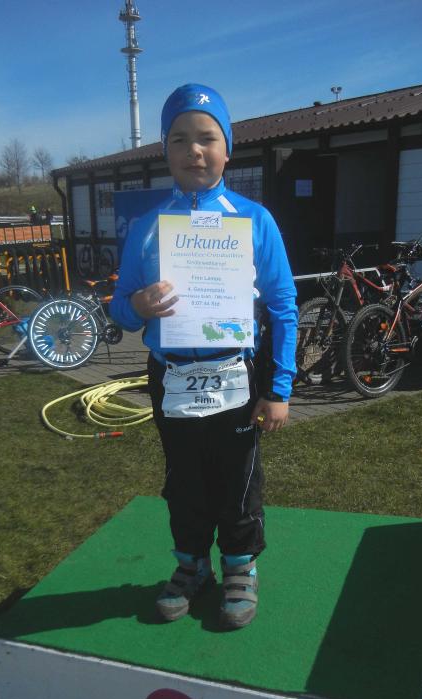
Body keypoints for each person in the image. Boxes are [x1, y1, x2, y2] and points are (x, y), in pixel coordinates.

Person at [110, 83, 297, 629]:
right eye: (179, 139)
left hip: (235, 375)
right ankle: (191, 565)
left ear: (227, 150)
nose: (194, 150)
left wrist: (279, 388)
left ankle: (240, 567)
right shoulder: (147, 228)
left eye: (207, 138)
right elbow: (121, 309)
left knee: (238, 478)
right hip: (171, 376)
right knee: (184, 479)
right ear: (164, 151)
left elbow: (284, 306)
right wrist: (137, 306)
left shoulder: (254, 220)